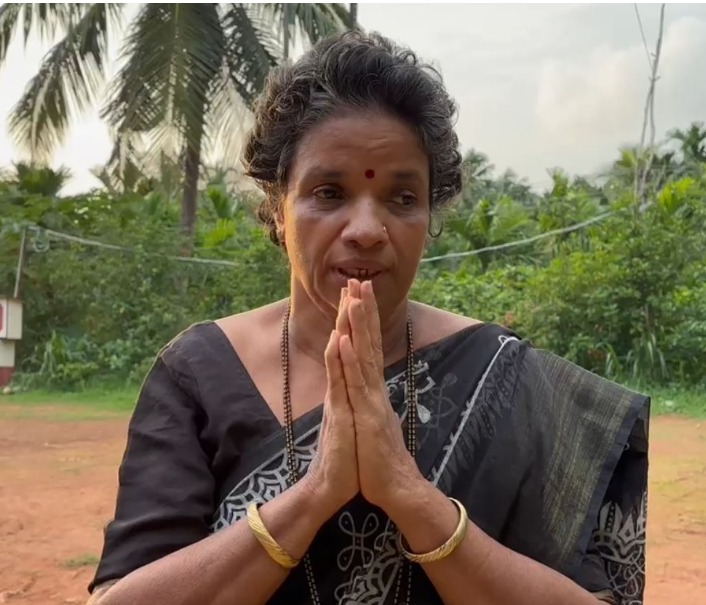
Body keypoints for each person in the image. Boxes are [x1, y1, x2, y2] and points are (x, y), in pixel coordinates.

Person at [86, 30, 649, 605]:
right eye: (329, 192)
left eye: (402, 199)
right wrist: (315, 494)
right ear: (278, 207)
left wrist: (409, 494)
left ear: (429, 216)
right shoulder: (199, 375)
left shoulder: (503, 378)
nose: (366, 230)